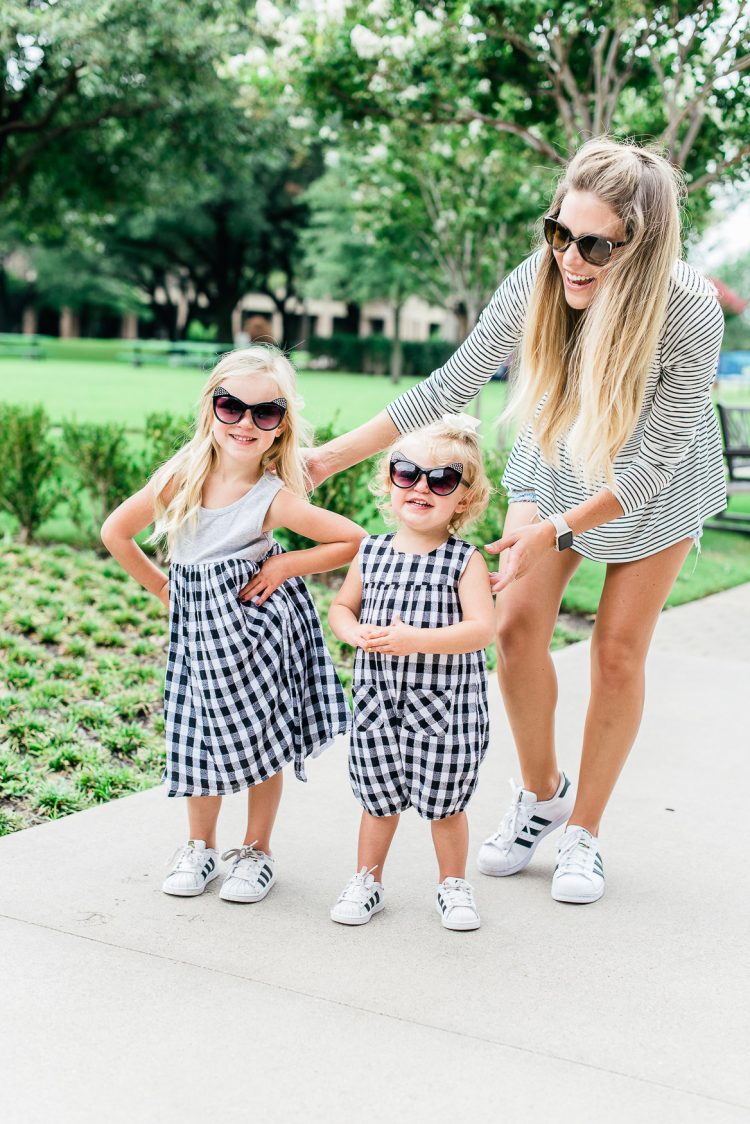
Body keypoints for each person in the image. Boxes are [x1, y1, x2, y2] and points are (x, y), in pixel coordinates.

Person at [308, 137, 726, 905]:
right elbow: (450, 384)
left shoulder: (689, 311)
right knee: (517, 627)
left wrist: (560, 531)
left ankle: (585, 834)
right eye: (560, 232)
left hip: (655, 485)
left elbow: (647, 467)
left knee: (617, 655)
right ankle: (542, 795)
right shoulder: (539, 279)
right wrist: (327, 459)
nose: (571, 256)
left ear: (642, 245)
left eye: (595, 244)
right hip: (559, 449)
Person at [101, 345, 364, 904]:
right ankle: (200, 847)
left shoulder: (273, 498)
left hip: (256, 632)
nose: (246, 422)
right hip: (199, 638)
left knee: (258, 740)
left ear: (280, 426)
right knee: (199, 737)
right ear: (211, 409)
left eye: (264, 413)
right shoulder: (182, 478)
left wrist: (287, 563)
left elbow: (353, 540)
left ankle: (256, 851)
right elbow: (115, 533)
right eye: (232, 407)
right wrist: (168, 590)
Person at [328, 415, 494, 931]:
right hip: (379, 705)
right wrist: (352, 631)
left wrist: (415, 641)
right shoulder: (371, 551)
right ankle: (367, 881)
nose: (421, 486)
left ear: (462, 499)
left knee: (445, 805)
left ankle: (452, 886)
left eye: (441, 480)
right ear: (390, 481)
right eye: (407, 473)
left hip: (446, 709)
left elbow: (481, 630)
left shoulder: (463, 562)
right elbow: (341, 607)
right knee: (378, 800)